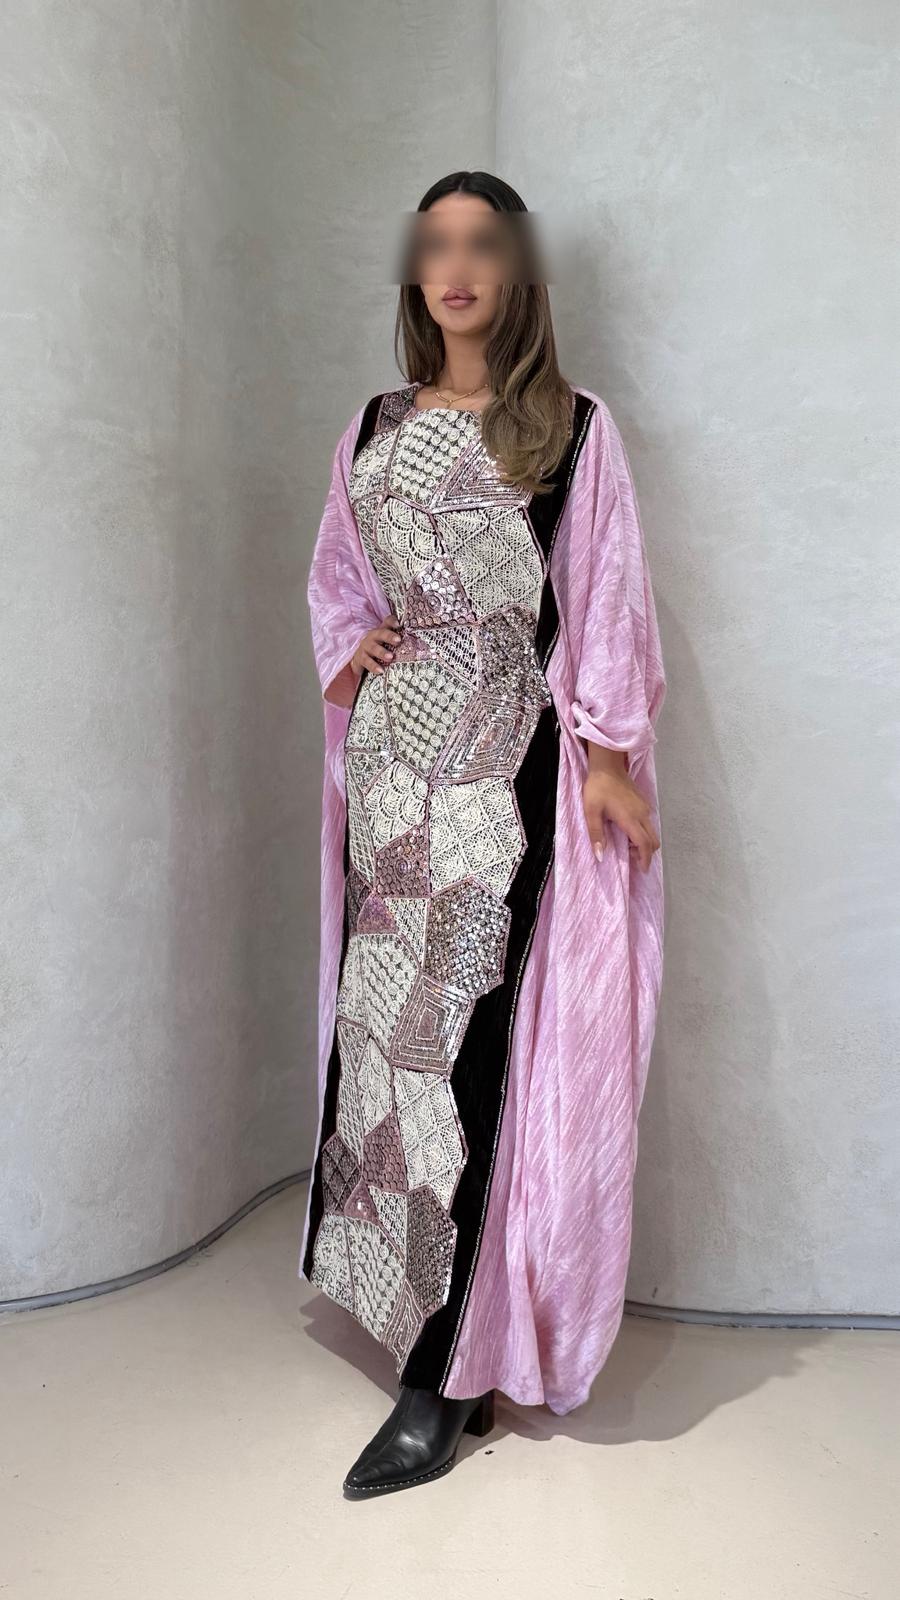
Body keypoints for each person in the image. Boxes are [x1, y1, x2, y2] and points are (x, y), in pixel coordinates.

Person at [298, 170, 667, 1498]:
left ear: (520, 272)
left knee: (467, 1054)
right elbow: (340, 582)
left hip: (502, 780)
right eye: (437, 244)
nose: (458, 267)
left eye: (485, 246)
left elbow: (605, 595)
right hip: (392, 778)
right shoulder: (373, 424)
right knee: (384, 1045)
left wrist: (612, 759)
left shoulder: (571, 428)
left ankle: (449, 1371)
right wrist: (355, 646)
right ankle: (393, 1302)